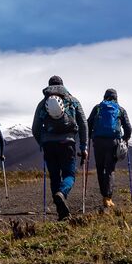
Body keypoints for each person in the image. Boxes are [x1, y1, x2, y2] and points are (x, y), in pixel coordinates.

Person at [31, 76, 87, 220]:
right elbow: (83, 124)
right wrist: (84, 146)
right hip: (67, 143)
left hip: (49, 145)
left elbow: (35, 127)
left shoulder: (43, 103)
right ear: (63, 85)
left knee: (54, 176)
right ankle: (62, 193)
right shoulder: (73, 101)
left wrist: (42, 143)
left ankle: (61, 213)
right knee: (69, 174)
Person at [87, 88, 132, 210]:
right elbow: (128, 128)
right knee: (110, 169)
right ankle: (108, 198)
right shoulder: (120, 109)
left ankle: (104, 195)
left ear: (104, 96)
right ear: (116, 97)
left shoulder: (97, 108)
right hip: (113, 142)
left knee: (100, 168)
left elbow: (88, 123)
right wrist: (124, 138)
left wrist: (91, 136)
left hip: (98, 142)